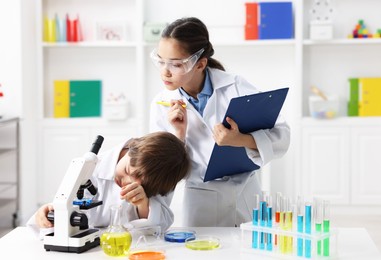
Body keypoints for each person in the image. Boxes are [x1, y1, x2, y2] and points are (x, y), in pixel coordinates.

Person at [149, 17, 290, 227]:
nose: (165, 72)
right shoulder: (162, 105)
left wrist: (241, 139)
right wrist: (178, 135)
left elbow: (282, 136)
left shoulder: (235, 86)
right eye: (160, 61)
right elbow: (161, 169)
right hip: (199, 200)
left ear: (200, 64)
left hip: (245, 195)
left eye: (176, 64)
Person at [26, 131, 190, 237]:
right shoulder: (90, 169)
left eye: (141, 185)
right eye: (127, 171)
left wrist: (143, 205)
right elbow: (54, 217)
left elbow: (162, 224)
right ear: (130, 148)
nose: (126, 182)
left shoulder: (158, 181)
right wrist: (50, 214)